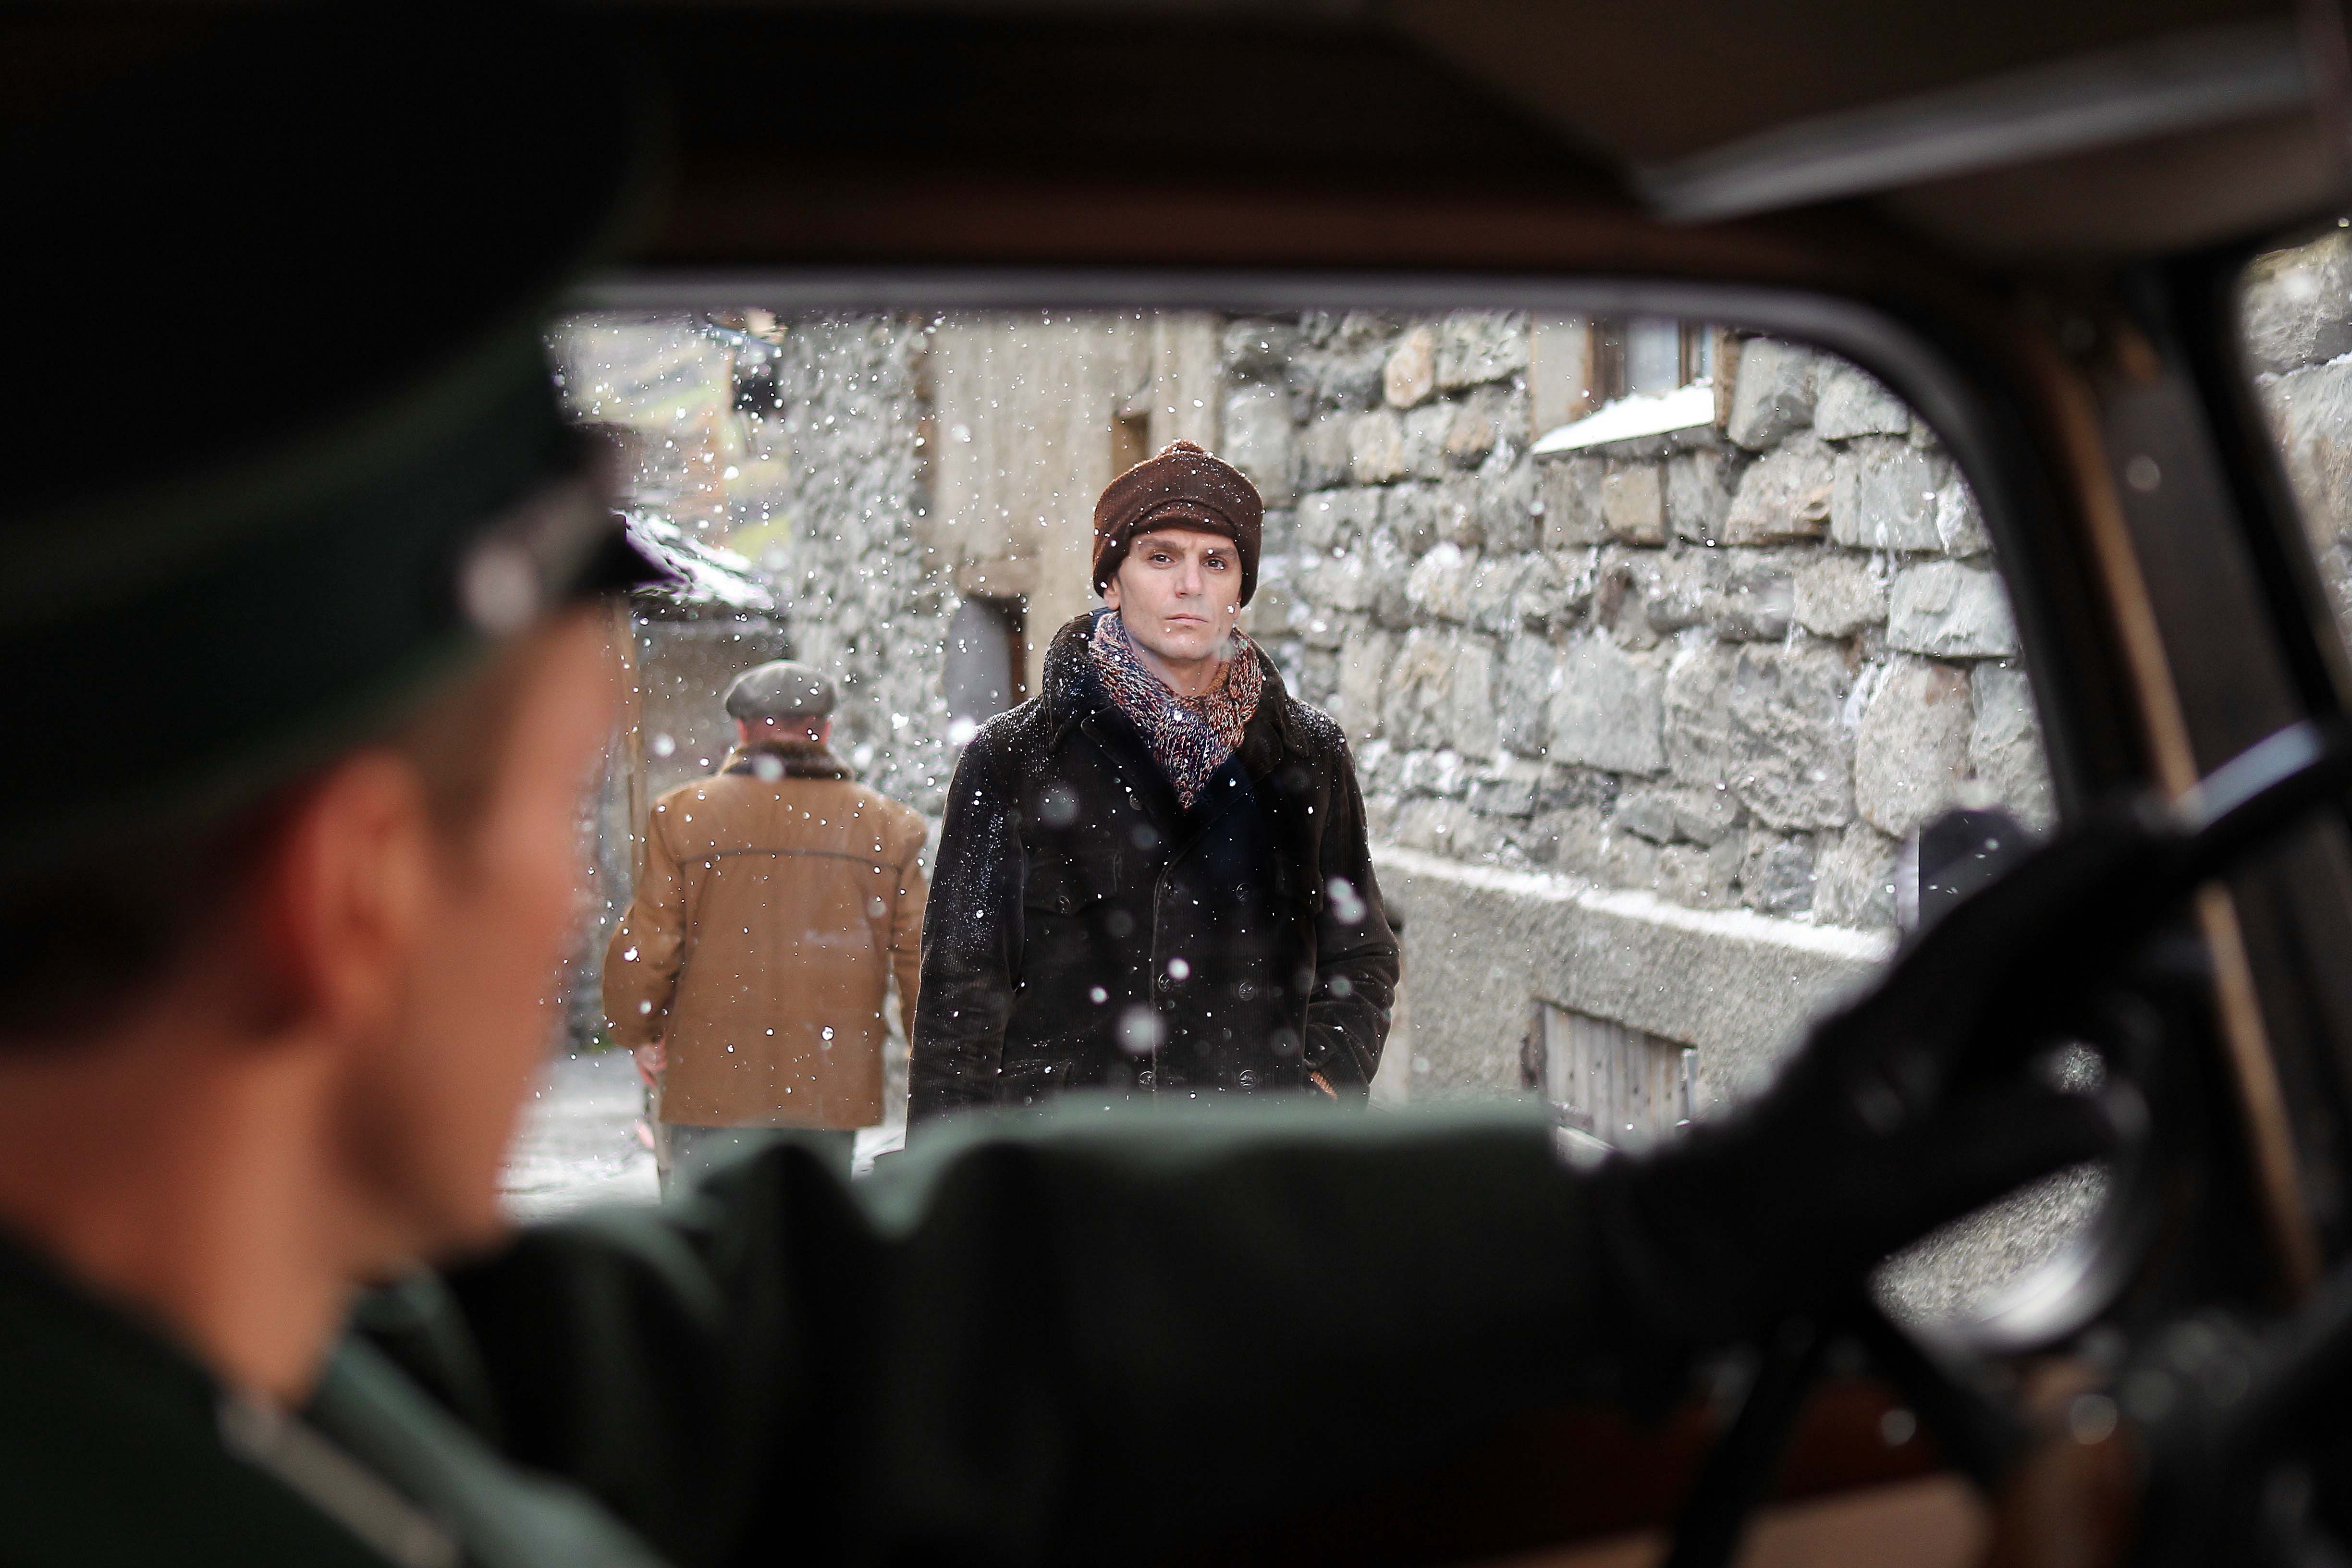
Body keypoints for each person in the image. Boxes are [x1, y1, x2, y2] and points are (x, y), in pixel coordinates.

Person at [0, 13, 2128, 1565]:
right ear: (349, 892)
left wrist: (1614, 1232)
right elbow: (963, 1025)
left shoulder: (285, 1346)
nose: (573, 909)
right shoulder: (1012, 763)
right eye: (552, 812)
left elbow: (820, 1323)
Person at [909, 441, 1399, 1123]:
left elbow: (1361, 953)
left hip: (1252, 1157)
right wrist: (952, 1171)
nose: (1190, 585)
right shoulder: (1013, 758)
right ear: (1112, 582)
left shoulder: (1308, 755)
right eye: (1161, 558)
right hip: (1068, 1157)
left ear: (1239, 592)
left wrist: (1320, 1086)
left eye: (1216, 562)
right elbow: (960, 996)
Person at [602, 661, 927, 1186]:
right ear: (824, 730)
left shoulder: (683, 816)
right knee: (811, 1226)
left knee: (709, 1227)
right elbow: (920, 955)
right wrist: (929, 1053)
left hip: (709, 1080)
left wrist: (639, 1031)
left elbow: (651, 942)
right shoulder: (886, 827)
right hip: (830, 1078)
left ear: (742, 729)